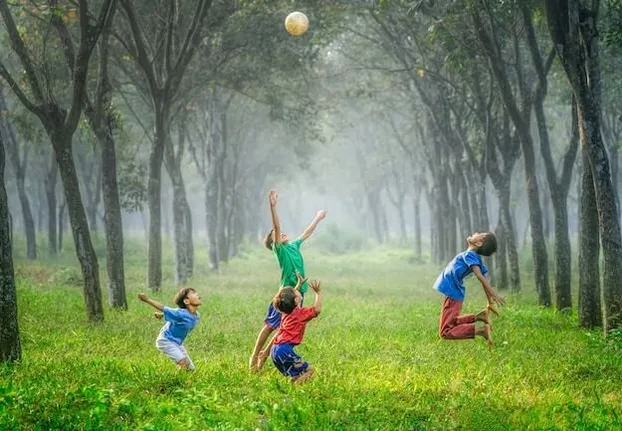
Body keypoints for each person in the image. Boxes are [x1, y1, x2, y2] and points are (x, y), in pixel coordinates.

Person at [249, 189, 326, 372]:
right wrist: (273, 206)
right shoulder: (280, 250)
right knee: (270, 326)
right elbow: (276, 227)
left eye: (282, 233)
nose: (282, 234)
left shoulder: (293, 245)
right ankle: (255, 356)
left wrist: (317, 218)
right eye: (278, 235)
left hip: (299, 293)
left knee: (286, 326)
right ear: (274, 241)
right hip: (285, 295)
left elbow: (306, 233)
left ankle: (266, 355)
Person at [434, 231, 505, 346]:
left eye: (480, 234)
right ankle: (479, 317)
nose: (476, 232)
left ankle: (481, 331)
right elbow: (482, 279)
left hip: (453, 293)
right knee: (452, 321)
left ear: (479, 243)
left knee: (445, 332)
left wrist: (493, 294)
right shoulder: (472, 256)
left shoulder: (470, 255)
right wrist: (490, 301)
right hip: (453, 292)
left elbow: (480, 276)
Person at [271, 275, 322, 384]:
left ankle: (292, 388)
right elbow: (317, 310)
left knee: (296, 375)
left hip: (275, 350)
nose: (297, 291)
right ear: (295, 300)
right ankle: (295, 390)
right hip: (284, 350)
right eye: (296, 292)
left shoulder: (285, 310)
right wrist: (318, 293)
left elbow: (288, 296)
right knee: (309, 370)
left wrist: (298, 285)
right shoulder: (299, 314)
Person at [138, 287, 202, 370]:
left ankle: (184, 381)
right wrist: (147, 299)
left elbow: (179, 320)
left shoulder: (196, 315)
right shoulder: (180, 313)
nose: (197, 294)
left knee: (191, 369)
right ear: (186, 301)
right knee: (183, 362)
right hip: (166, 340)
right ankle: (177, 382)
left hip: (177, 343)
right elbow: (164, 308)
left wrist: (162, 315)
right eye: (193, 293)